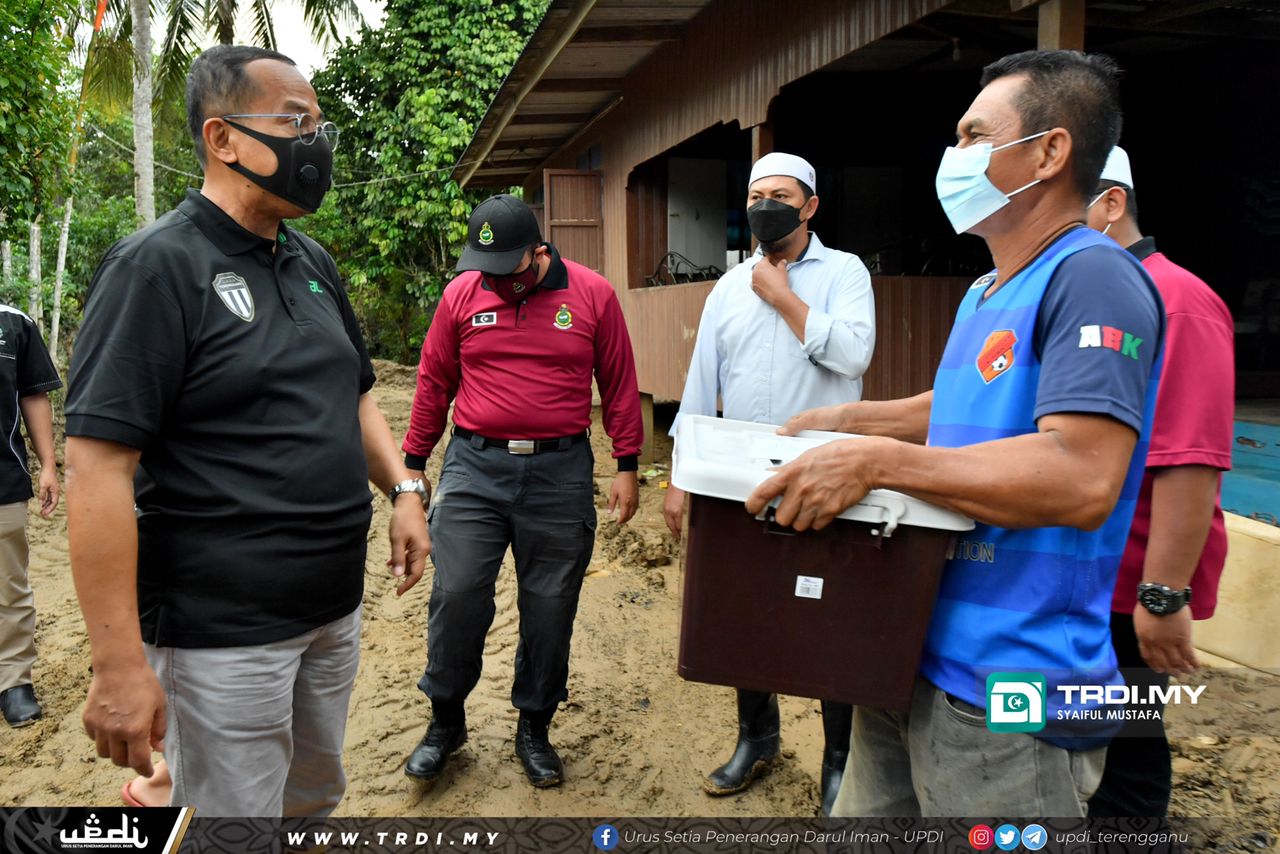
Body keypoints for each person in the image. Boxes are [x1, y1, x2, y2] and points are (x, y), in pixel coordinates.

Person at [746, 50, 1165, 816]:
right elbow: (964, 404)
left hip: (1009, 690)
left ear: (1050, 151)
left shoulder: (1094, 276)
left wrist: (877, 462)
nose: (955, 156)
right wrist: (848, 420)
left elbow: (1081, 475)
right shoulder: (987, 288)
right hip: (910, 650)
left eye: (974, 136)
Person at [64, 44, 430, 817]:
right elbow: (98, 468)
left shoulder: (311, 261)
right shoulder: (155, 269)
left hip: (331, 612)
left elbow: (356, 396)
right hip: (220, 634)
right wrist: (117, 663)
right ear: (222, 138)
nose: (316, 144)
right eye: (296, 122)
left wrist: (403, 489)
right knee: (230, 819)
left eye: (321, 126)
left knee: (312, 795)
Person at [401, 193, 643, 788]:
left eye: (503, 264)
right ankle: (446, 721)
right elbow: (434, 379)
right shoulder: (462, 294)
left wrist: (627, 463)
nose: (491, 277)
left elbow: (618, 380)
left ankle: (534, 726)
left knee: (550, 605)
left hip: (560, 473)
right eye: (481, 265)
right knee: (457, 593)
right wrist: (414, 464)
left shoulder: (592, 294)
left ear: (538, 253)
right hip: (474, 467)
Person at [663, 152, 874, 814]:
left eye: (780, 196)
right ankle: (757, 738)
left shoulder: (845, 274)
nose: (764, 207)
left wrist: (784, 299)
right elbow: (701, 385)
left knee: (831, 618)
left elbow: (854, 356)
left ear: (810, 207)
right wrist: (680, 477)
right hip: (740, 481)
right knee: (746, 612)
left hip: (826, 478)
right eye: (756, 195)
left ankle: (839, 761)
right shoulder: (728, 287)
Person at [1083, 147, 1234, 818]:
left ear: (1111, 204)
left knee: (1128, 749)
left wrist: (1163, 594)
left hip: (1133, 578)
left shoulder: (1178, 299)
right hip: (1087, 566)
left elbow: (1190, 458)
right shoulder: (1092, 297)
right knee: (1083, 731)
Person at [0, 305, 60, 727]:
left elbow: (33, 394)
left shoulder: (13, 324)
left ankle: (14, 680)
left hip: (3, 479)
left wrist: (49, 465)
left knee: (8, 585)